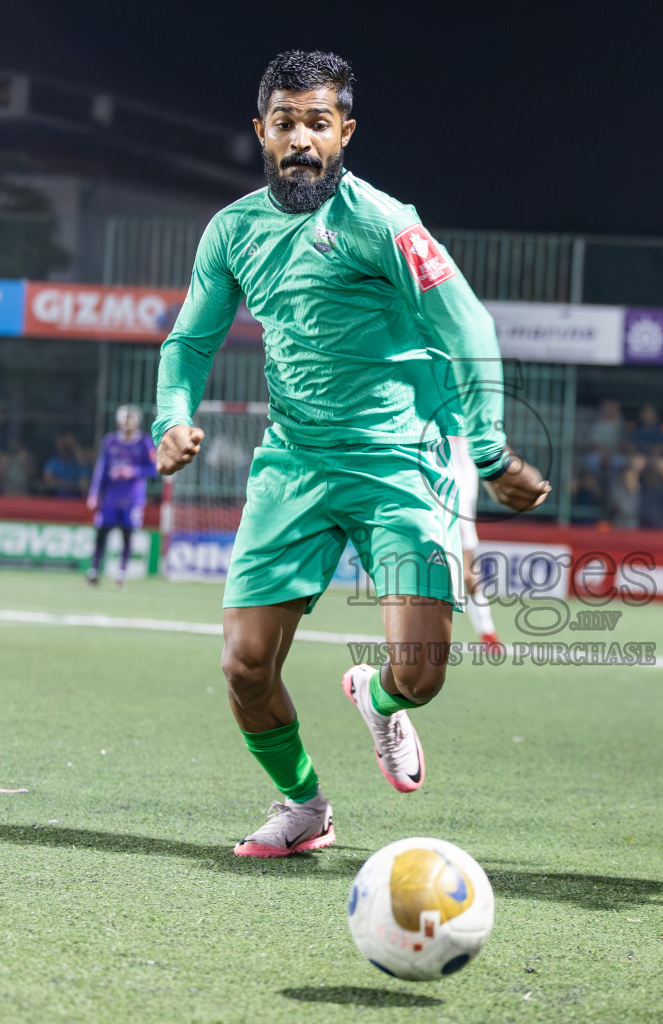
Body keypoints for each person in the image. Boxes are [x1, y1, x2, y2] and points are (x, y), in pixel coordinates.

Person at [152, 51, 549, 858]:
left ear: (345, 132)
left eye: (319, 123)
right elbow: (190, 341)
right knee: (244, 666)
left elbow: (467, 326)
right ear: (262, 130)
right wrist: (173, 415)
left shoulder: (384, 222)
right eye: (287, 122)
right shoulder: (233, 231)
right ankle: (303, 808)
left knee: (421, 675)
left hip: (401, 467)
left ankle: (376, 696)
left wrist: (490, 445)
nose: (302, 139)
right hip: (292, 466)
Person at [444, 436, 504, 654]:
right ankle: (487, 632)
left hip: (456, 494)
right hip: (440, 490)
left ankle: (487, 632)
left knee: (466, 571)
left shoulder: (470, 411)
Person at [86, 405, 158, 587]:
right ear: (118, 421)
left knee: (127, 535)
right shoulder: (110, 441)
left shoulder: (144, 443)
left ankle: (122, 574)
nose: (126, 424)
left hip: (132, 498)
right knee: (101, 534)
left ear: (137, 422)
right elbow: (101, 468)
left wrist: (133, 471)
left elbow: (155, 468)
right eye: (123, 419)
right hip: (110, 497)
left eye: (130, 420)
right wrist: (94, 492)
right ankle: (93, 571)